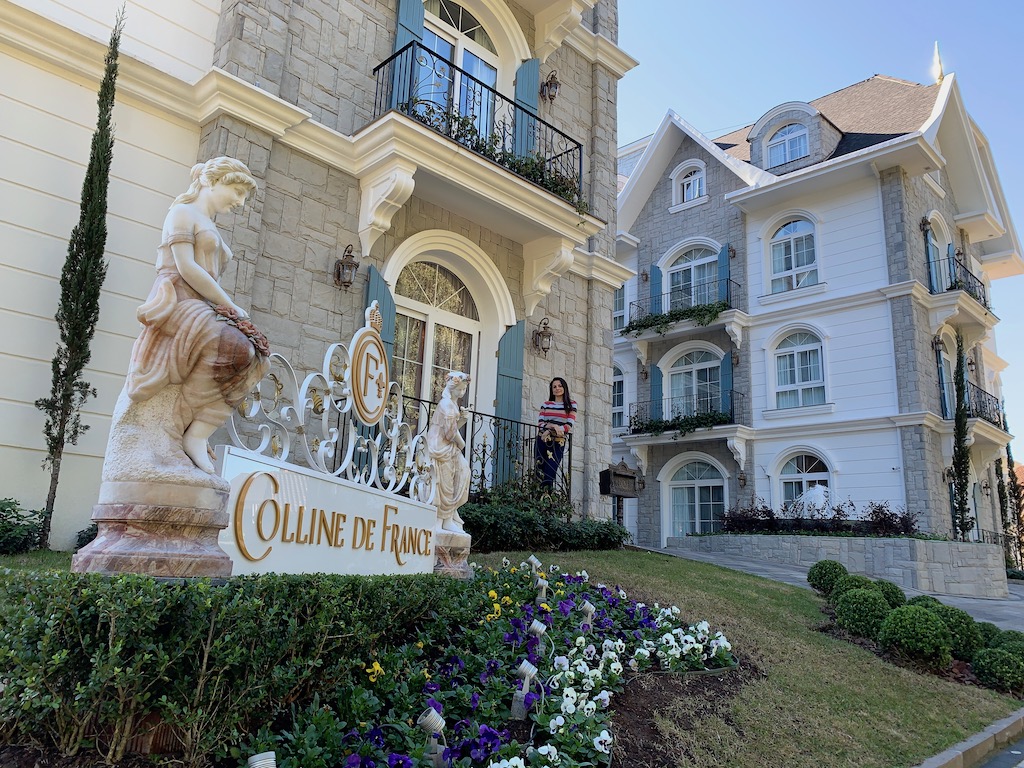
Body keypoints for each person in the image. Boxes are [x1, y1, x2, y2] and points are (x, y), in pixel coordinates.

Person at [125, 157, 270, 474]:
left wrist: (224, 306)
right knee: (239, 348)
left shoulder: (209, 224)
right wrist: (228, 304)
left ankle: (199, 432)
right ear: (211, 182)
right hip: (179, 300)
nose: (239, 201)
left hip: (205, 304)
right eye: (236, 191)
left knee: (259, 359)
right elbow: (186, 268)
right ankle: (181, 426)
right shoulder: (181, 213)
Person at [426, 372, 472, 532]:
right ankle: (440, 520)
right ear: (451, 388)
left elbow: (452, 428)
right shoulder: (446, 405)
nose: (461, 393)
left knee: (463, 471)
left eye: (464, 389)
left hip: (447, 445)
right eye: (459, 389)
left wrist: (463, 420)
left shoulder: (452, 404)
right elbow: (450, 433)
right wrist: (462, 443)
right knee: (443, 482)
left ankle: (449, 515)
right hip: (439, 446)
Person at [535, 377, 577, 490]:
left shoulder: (571, 405)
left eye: (559, 386)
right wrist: (554, 426)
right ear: (551, 390)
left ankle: (546, 501)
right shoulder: (546, 404)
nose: (557, 388)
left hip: (558, 442)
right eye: (554, 386)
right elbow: (540, 424)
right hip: (542, 440)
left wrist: (549, 430)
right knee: (539, 471)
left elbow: (568, 426)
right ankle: (538, 499)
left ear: (564, 388)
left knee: (550, 472)